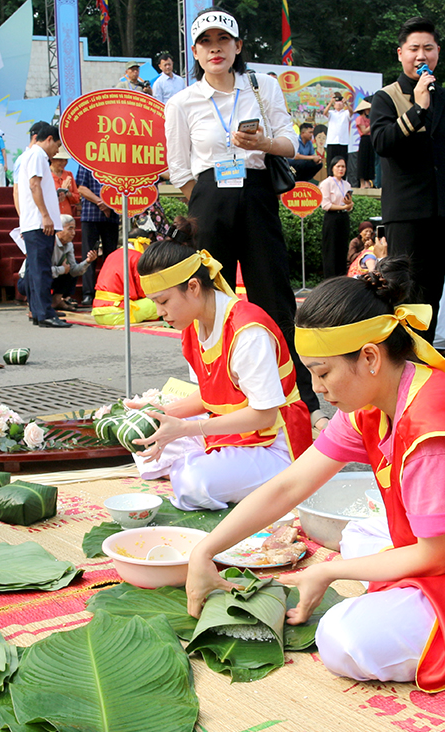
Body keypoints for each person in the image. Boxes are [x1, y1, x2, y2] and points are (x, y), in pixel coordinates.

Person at [186, 258, 445, 690]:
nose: (316, 388)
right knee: (358, 538)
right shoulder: (375, 400)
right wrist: (204, 551)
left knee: (342, 638)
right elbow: (291, 484)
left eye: (322, 372)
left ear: (370, 357)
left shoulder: (433, 431)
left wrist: (327, 573)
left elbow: (437, 557)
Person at [165, 7, 324, 428]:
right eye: (205, 43)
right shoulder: (182, 102)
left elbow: (291, 144)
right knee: (207, 300)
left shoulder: (262, 85)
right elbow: (180, 168)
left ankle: (299, 398)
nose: (215, 49)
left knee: (273, 296)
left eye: (223, 41)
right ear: (195, 53)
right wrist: (205, 201)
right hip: (208, 200)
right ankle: (215, 392)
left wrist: (263, 143)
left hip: (257, 195)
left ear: (238, 46)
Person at [129, 217, 313, 510]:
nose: (160, 312)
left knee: (191, 484)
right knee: (145, 443)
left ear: (192, 287)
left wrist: (186, 429)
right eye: (155, 304)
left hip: (275, 442)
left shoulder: (247, 330)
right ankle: (208, 464)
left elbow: (265, 416)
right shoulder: (193, 322)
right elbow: (212, 393)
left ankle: (238, 474)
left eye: (163, 301)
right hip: (231, 428)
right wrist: (162, 414)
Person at [369, 16, 445, 344]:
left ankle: (424, 357)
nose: (421, 55)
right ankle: (399, 361)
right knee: (404, 289)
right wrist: (417, 109)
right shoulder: (386, 97)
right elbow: (382, 143)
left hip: (440, 210)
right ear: (400, 53)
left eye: (428, 49)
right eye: (414, 48)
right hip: (405, 212)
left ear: (437, 53)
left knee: (432, 291)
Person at [18, 123, 70, 328]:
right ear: (48, 139)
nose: (57, 151)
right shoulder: (38, 155)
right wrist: (45, 216)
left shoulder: (30, 155)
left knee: (36, 269)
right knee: (41, 270)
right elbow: (34, 185)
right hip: (39, 222)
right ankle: (45, 312)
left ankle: (40, 311)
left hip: (34, 221)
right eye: (57, 145)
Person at [16, 214, 95, 313]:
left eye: (74, 229)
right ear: (59, 230)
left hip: (52, 275)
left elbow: (74, 271)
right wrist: (62, 269)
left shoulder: (68, 245)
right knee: (63, 270)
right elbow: (41, 270)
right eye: (70, 229)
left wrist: (87, 262)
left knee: (70, 268)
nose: (73, 233)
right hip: (28, 280)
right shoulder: (48, 243)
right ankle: (37, 303)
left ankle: (57, 300)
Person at [75, 163, 119, 306]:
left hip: (111, 215)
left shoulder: (116, 161)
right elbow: (81, 187)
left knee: (110, 255)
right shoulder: (86, 162)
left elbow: (121, 187)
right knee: (89, 255)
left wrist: (109, 204)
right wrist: (101, 203)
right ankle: (88, 293)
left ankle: (110, 291)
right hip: (90, 215)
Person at [91, 231, 157, 326]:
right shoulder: (137, 257)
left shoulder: (112, 254)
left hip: (98, 312)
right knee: (156, 303)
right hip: (117, 312)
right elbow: (144, 291)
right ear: (142, 243)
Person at [320, 157, 353, 279]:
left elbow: (349, 206)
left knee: (342, 249)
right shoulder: (326, 183)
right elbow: (326, 205)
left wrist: (349, 205)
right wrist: (342, 206)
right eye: (338, 166)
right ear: (332, 167)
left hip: (343, 218)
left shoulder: (346, 184)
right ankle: (330, 279)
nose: (341, 169)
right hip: (331, 219)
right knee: (331, 250)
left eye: (343, 166)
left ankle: (341, 278)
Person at [323, 93, 351, 180]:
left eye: (340, 102)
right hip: (332, 141)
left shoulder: (345, 113)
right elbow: (325, 112)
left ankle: (342, 179)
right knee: (331, 161)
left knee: (343, 161)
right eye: (337, 102)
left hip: (343, 141)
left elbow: (351, 112)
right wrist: (330, 103)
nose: (339, 104)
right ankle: (330, 178)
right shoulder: (331, 113)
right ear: (334, 105)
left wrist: (347, 104)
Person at [50, 147, 80, 217]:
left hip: (67, 215)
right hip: (52, 215)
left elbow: (77, 198)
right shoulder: (46, 175)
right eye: (60, 160)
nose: (64, 163)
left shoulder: (69, 174)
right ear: (52, 160)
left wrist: (68, 193)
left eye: (66, 160)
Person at [354, 99, 374, 188]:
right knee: (363, 161)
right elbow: (364, 131)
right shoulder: (359, 119)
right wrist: (372, 125)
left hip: (370, 140)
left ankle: (367, 182)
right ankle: (362, 183)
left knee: (370, 160)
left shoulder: (369, 119)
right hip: (364, 140)